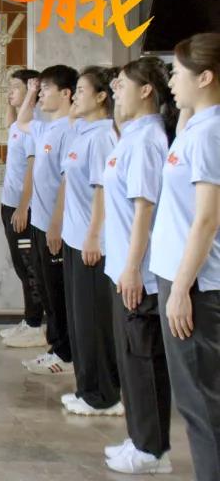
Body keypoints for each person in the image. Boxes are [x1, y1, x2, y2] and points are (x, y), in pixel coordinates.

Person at [149, 33, 220, 481]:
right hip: (178, 276)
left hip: (195, 284)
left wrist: (180, 290)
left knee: (202, 406)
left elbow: (207, 219)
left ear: (206, 77)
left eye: (177, 73)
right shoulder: (194, 126)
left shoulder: (211, 133)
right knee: (196, 402)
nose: (171, 82)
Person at [102, 56, 177, 474]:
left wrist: (133, 267)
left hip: (140, 273)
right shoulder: (132, 135)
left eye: (122, 85)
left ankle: (153, 450)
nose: (115, 91)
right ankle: (140, 436)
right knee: (130, 358)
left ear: (146, 90)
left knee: (144, 358)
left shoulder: (148, 140)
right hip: (124, 267)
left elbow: (144, 209)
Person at [59, 66, 121, 416]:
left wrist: (94, 235)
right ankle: (87, 389)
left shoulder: (102, 137)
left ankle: (105, 396)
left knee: (94, 322)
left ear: (101, 97)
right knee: (79, 320)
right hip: (74, 238)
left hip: (91, 242)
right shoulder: (83, 132)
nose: (75, 96)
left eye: (81, 90)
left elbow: (102, 190)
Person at [16, 65, 78, 375]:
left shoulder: (71, 129)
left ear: (66, 93)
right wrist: (30, 92)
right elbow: (22, 121)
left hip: (57, 226)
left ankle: (66, 354)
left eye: (46, 89)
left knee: (58, 292)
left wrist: (56, 224)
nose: (41, 95)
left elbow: (67, 180)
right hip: (40, 223)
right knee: (45, 289)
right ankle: (56, 348)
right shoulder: (45, 128)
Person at [0, 68, 47, 349]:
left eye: (15, 87)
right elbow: (10, 124)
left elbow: (32, 167)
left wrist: (23, 207)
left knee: (29, 268)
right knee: (20, 265)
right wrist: (12, 100)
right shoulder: (18, 125)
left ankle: (35, 325)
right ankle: (29, 320)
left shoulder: (33, 125)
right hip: (9, 203)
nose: (10, 92)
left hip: (21, 207)